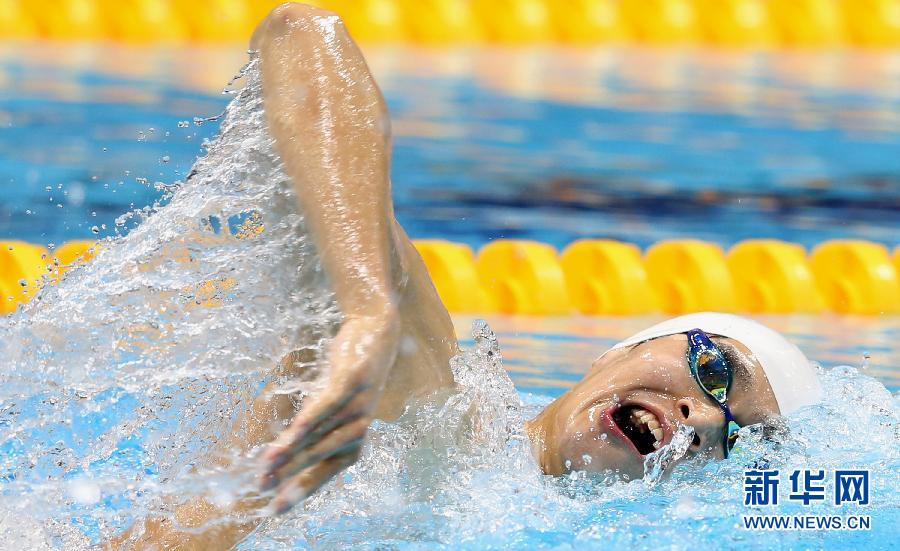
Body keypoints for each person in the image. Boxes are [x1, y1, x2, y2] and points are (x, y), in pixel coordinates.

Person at [111, 3, 822, 548]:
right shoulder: (441, 414)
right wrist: (367, 313)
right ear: (623, 348)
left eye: (741, 438)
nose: (704, 416)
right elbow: (305, 36)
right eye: (714, 368)